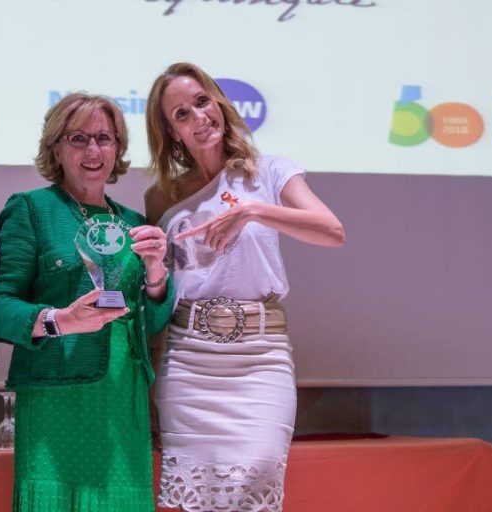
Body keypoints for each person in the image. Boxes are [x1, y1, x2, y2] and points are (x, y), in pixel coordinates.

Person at [144, 63, 346, 512]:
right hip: (188, 359)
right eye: (181, 114)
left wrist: (254, 211)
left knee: (254, 483)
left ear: (219, 103)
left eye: (202, 101)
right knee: (197, 498)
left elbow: (331, 231)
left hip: (260, 357)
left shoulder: (270, 172)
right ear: (171, 132)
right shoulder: (161, 196)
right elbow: (161, 283)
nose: (198, 117)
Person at [0, 92, 174, 512]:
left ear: (118, 148)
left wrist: (157, 272)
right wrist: (59, 320)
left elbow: (153, 319)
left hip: (121, 391)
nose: (93, 150)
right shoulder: (32, 210)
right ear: (56, 147)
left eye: (104, 138)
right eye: (78, 138)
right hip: (57, 392)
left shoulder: (134, 224)